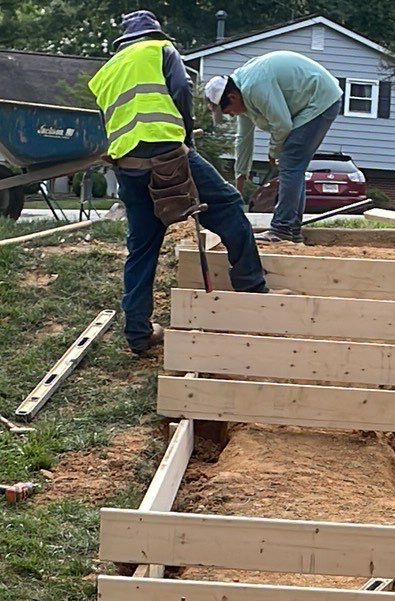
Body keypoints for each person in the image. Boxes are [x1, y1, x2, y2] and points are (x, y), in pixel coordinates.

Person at [89, 11, 267, 356]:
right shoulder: (160, 50)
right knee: (229, 206)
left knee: (142, 246)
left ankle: (138, 333)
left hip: (128, 164)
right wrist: (186, 138)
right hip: (169, 155)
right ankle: (253, 292)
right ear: (154, 33)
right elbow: (181, 91)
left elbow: (109, 122)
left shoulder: (106, 73)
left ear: (124, 41)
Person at [204, 53, 343, 244]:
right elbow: (243, 139)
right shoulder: (241, 95)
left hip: (319, 100)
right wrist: (240, 176)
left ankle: (282, 229)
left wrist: (274, 152)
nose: (231, 116)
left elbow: (283, 124)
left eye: (228, 111)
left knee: (290, 163)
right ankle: (292, 231)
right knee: (294, 166)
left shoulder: (254, 86)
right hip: (312, 103)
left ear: (232, 96)